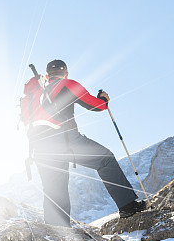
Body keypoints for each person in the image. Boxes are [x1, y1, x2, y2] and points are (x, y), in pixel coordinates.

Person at [32, 59, 146, 227]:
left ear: (48, 76)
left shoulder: (38, 93)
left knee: (55, 189)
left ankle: (56, 231)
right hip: (65, 139)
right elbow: (95, 106)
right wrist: (104, 99)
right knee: (105, 159)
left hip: (40, 148)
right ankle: (128, 206)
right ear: (66, 73)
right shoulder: (68, 84)